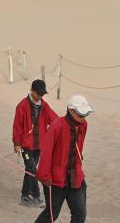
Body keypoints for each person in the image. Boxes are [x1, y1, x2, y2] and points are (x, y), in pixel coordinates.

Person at [35, 94, 94, 223]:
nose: (83, 118)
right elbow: (47, 153)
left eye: (85, 115)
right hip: (56, 180)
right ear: (71, 111)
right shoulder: (56, 126)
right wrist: (44, 177)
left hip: (75, 177)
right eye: (80, 114)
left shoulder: (84, 125)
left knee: (79, 215)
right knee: (51, 215)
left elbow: (78, 148)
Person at [13, 79, 59, 207]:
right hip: (25, 146)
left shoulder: (45, 106)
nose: (40, 96)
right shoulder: (21, 106)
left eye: (42, 94)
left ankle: (24, 196)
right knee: (33, 170)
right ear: (32, 91)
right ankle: (36, 197)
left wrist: (65, 125)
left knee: (29, 170)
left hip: (39, 146)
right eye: (38, 93)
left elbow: (54, 120)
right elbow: (17, 126)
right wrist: (16, 143)